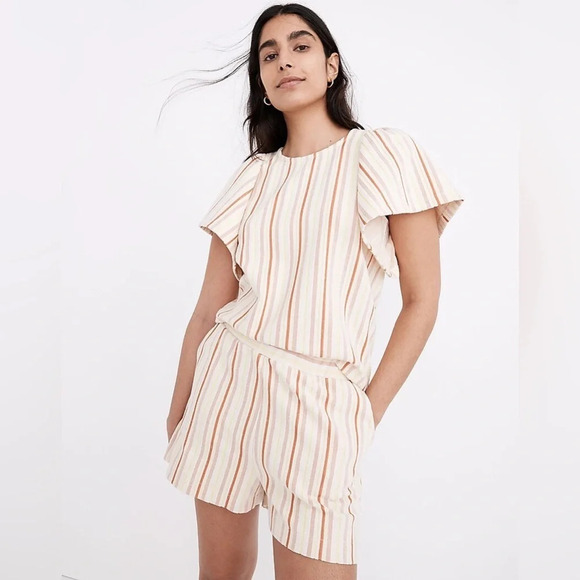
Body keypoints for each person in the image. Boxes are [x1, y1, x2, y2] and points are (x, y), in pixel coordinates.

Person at [163, 4, 464, 579]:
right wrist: (180, 411)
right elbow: (208, 309)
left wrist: (364, 414)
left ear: (331, 67)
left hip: (322, 405)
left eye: (300, 46)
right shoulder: (253, 176)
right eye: (269, 54)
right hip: (227, 388)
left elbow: (422, 300)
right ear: (261, 81)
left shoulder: (383, 154)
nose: (284, 61)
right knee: (220, 574)